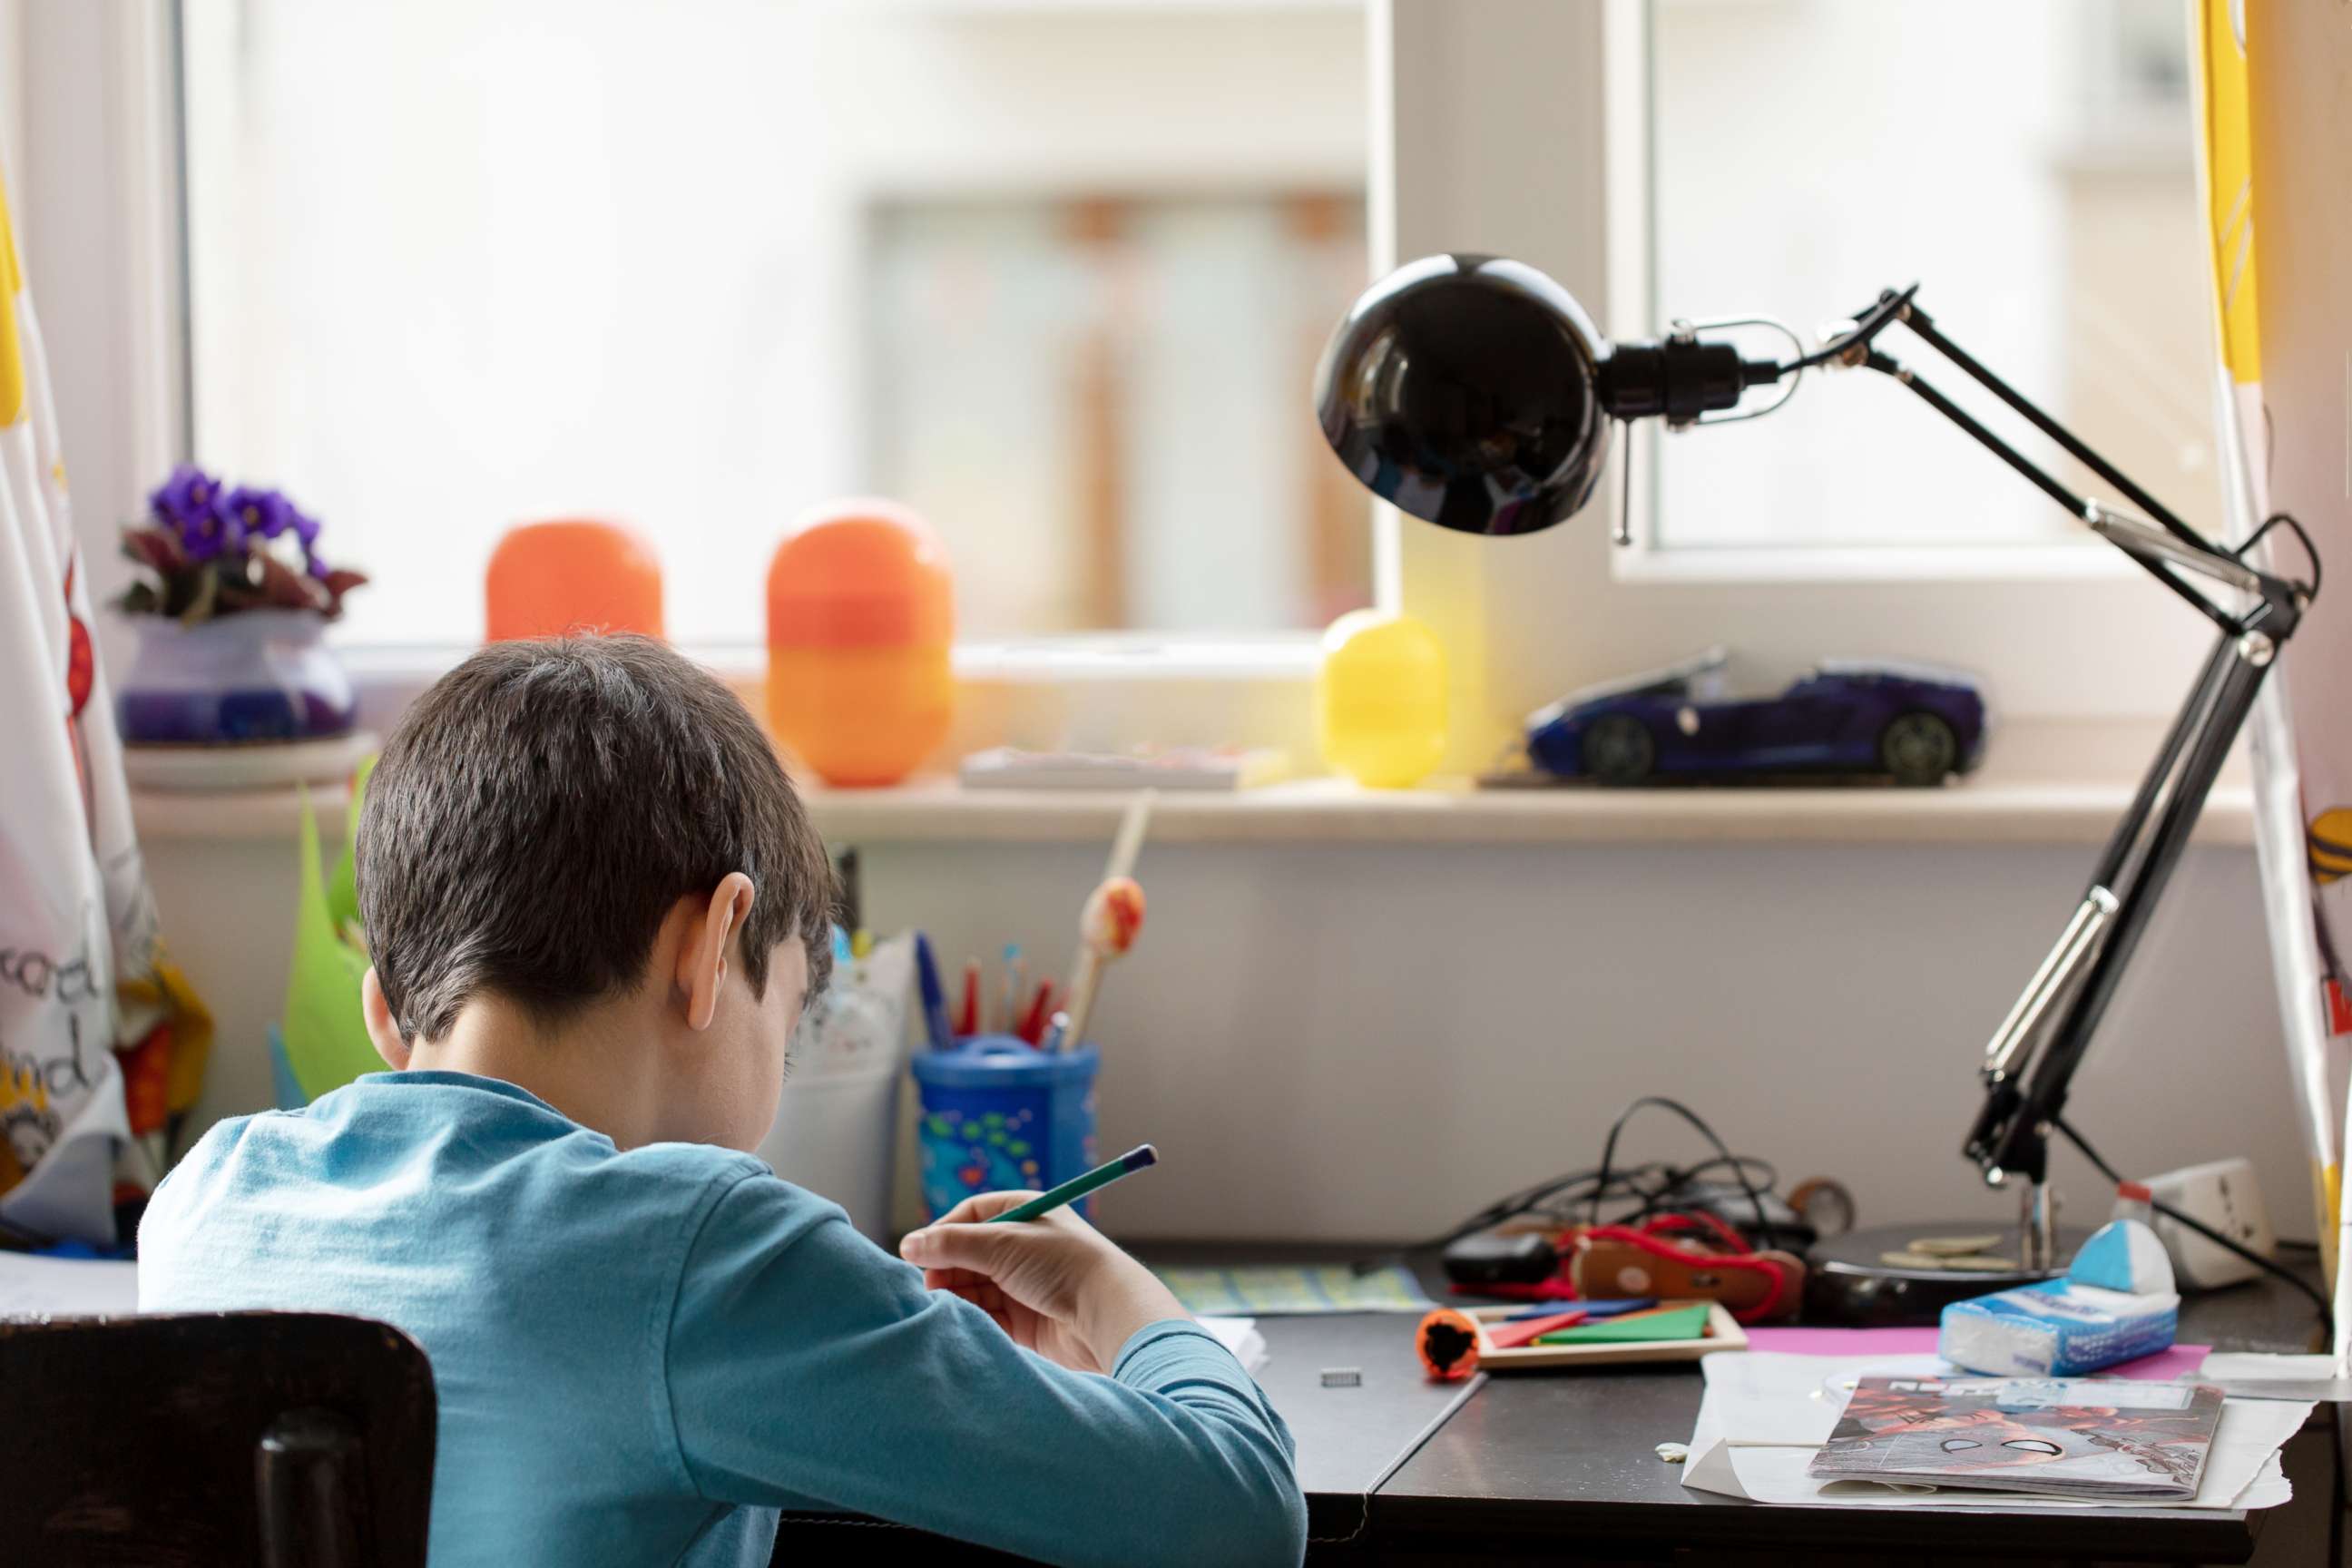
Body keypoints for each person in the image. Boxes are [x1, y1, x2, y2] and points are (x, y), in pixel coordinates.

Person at [140, 633, 1306, 1567]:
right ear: (714, 944)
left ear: (388, 1011)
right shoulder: (698, 1248)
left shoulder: (202, 1199)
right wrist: (1101, 1283)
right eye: (790, 1022)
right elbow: (1239, 1514)